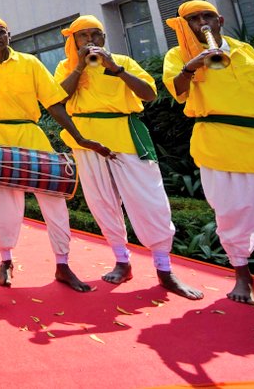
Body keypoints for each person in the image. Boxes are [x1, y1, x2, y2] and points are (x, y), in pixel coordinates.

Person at [54, 15, 202, 300]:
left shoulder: (123, 61)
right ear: (73, 41)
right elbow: (57, 100)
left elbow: (148, 94)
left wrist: (117, 69)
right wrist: (79, 68)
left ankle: (164, 268)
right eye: (83, 36)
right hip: (86, 141)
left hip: (126, 136)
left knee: (149, 200)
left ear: (104, 38)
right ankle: (122, 261)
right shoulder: (65, 67)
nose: (90, 41)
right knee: (101, 202)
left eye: (95, 34)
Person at [0, 15, 112, 292]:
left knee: (55, 202)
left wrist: (79, 137)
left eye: (2, 31)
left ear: (9, 35)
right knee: (2, 207)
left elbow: (54, 103)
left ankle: (63, 264)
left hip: (31, 135)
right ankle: (6, 262)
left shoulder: (30, 63)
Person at [163, 0, 254, 305]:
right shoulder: (178, 55)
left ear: (220, 20)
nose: (202, 22)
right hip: (219, 144)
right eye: (193, 18)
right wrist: (193, 65)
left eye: (207, 16)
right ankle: (242, 276)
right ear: (184, 25)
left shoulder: (244, 50)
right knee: (232, 214)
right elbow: (177, 91)